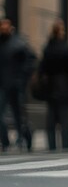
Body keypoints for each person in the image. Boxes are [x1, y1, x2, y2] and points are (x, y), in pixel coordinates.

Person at [40, 19, 68, 151]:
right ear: (61, 32)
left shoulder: (47, 48)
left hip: (51, 86)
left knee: (51, 119)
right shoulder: (66, 49)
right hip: (65, 86)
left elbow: (42, 68)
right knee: (65, 119)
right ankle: (66, 145)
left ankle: (52, 145)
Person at [0, 18, 36, 152]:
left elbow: (31, 60)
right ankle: (5, 141)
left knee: (19, 115)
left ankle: (24, 136)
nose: (3, 27)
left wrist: (22, 78)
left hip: (16, 85)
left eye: (5, 25)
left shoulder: (18, 43)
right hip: (2, 85)